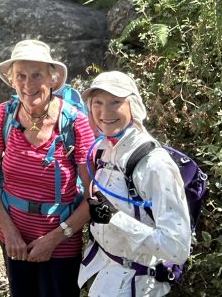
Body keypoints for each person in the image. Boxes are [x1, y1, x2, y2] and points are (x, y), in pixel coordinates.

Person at [0, 39, 94, 297]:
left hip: (62, 244)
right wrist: (9, 232)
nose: (28, 84)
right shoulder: (5, 115)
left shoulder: (75, 123)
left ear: (52, 79)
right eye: (20, 76)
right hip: (13, 240)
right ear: (12, 80)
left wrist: (54, 239)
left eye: (36, 75)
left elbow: (93, 196)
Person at [78, 71, 191, 297]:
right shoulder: (104, 148)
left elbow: (177, 248)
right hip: (101, 272)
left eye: (116, 102)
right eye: (97, 103)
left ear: (134, 106)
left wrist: (116, 219)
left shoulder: (154, 164)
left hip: (136, 284)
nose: (105, 112)